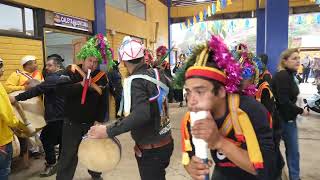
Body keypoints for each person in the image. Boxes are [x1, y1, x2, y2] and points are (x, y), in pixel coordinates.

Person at [178, 35, 275, 180]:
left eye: (200, 91)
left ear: (221, 91)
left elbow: (266, 170)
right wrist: (191, 166)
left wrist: (219, 142)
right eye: (188, 92)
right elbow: (188, 155)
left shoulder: (252, 111)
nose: (191, 101)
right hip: (222, 173)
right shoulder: (192, 118)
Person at [88, 36, 173, 180]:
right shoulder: (156, 73)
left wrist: (108, 130)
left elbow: (141, 114)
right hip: (165, 142)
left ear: (124, 61)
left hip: (152, 150)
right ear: (142, 57)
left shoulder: (136, 81)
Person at [55, 33, 112, 180]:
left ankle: (96, 175)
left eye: (95, 62)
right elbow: (62, 91)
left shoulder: (101, 77)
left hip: (91, 123)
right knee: (68, 155)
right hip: (71, 122)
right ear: (84, 59)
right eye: (89, 60)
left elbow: (104, 101)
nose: (91, 65)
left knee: (94, 151)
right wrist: (81, 85)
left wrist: (99, 120)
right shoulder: (71, 71)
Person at [10, 55, 65, 177]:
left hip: (55, 115)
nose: (47, 67)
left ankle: (52, 164)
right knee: (61, 139)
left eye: (50, 65)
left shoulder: (52, 79)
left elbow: (36, 90)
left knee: (46, 139)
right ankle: (61, 162)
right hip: (64, 114)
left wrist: (16, 98)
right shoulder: (65, 77)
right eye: (47, 65)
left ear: (57, 66)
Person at [272, 48, 308, 180]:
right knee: (292, 152)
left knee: (291, 152)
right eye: (294, 58)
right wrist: (300, 110)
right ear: (284, 61)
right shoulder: (283, 76)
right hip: (284, 120)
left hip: (287, 119)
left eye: (298, 58)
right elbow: (283, 101)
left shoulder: (288, 75)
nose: (298, 61)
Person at [4, 55, 43, 159]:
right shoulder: (16, 74)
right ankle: (33, 150)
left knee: (40, 126)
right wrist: (24, 87)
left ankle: (40, 148)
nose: (36, 64)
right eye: (34, 62)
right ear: (28, 64)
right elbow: (7, 87)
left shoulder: (38, 73)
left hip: (38, 105)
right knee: (29, 128)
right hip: (25, 105)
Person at [0, 57, 24, 180]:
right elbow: (7, 115)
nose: (3, 70)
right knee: (3, 170)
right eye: (1, 66)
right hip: (2, 140)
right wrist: (16, 123)